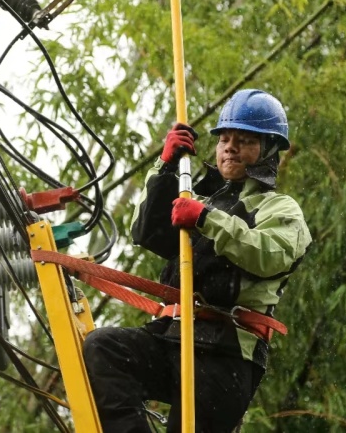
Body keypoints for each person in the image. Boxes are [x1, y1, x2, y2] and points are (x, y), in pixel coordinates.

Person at [83, 89, 312, 432]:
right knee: (105, 348)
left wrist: (205, 219)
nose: (229, 147)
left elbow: (268, 255)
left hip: (225, 355)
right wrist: (164, 168)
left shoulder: (280, 209)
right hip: (173, 337)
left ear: (267, 149)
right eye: (224, 139)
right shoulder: (198, 200)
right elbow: (146, 231)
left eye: (244, 140)